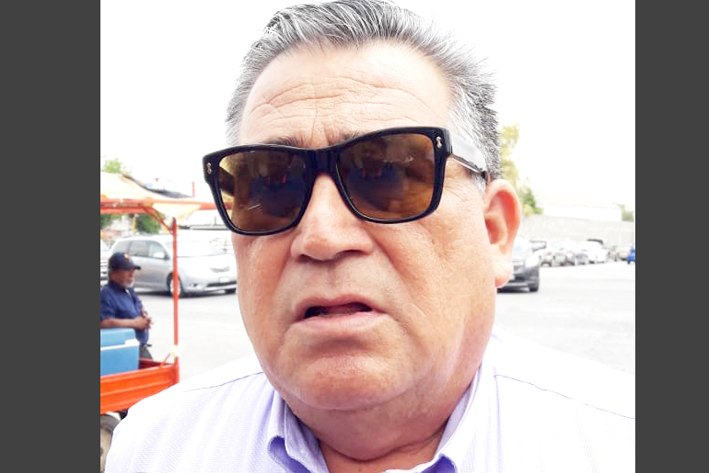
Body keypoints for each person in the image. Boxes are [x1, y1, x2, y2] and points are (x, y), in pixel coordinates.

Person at [105, 1, 634, 472]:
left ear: (493, 232)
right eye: (270, 183)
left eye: (389, 175)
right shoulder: (156, 450)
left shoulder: (618, 445)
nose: (322, 235)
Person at [100, 252, 153, 359]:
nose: (131, 274)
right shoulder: (106, 294)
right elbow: (104, 323)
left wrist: (145, 319)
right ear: (113, 272)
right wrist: (134, 323)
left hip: (140, 348)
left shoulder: (129, 291)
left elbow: (139, 310)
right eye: (127, 270)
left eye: (133, 270)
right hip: (122, 352)